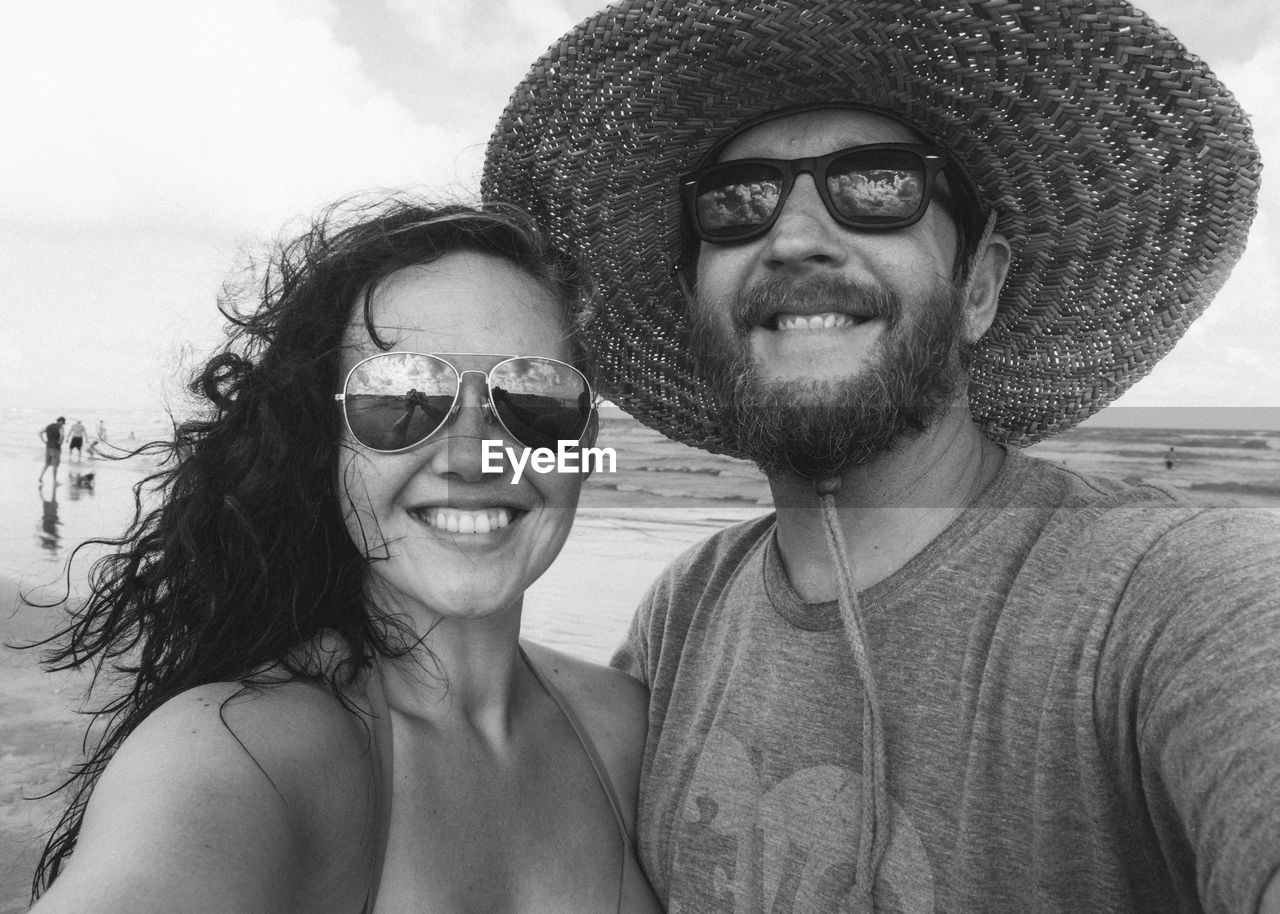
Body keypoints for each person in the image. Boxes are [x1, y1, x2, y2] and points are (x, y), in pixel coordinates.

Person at [482, 1, 1280, 911]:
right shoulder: (686, 611)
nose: (793, 237)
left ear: (978, 286)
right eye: (737, 203)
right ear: (697, 300)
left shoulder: (1172, 595)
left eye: (878, 186)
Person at [27, 199, 662, 914]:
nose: (472, 458)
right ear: (324, 441)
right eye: (401, 397)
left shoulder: (627, 727)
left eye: (535, 397)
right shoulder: (244, 750)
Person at [38, 416, 66, 485]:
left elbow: (40, 433)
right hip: (56, 448)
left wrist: (44, 441)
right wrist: (60, 442)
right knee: (55, 465)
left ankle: (41, 477)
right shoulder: (61, 427)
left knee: (47, 463)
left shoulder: (49, 426)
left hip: (48, 446)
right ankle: (55, 481)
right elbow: (62, 436)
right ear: (62, 422)